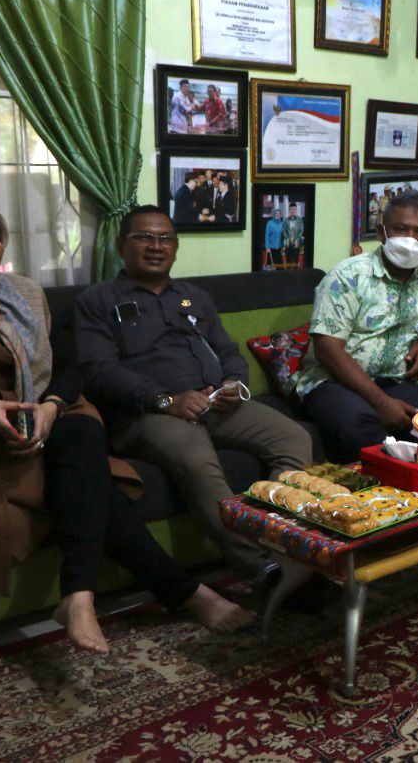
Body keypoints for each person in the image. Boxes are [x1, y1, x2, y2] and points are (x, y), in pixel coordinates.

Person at [0, 196, 252, 653]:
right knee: (95, 485)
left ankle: (83, 597)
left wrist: (52, 404)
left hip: (44, 410)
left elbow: (68, 364)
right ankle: (169, 592)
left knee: (82, 430)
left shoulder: (21, 292)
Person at [74, 206, 313, 588]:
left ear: (175, 247)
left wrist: (233, 383)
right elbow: (99, 370)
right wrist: (166, 400)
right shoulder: (97, 300)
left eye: (165, 238)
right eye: (144, 237)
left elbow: (228, 350)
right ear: (121, 246)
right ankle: (259, 566)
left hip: (216, 402)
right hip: (148, 414)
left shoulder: (194, 297)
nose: (156, 246)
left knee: (294, 438)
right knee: (197, 459)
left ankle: (280, 542)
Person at [293, 191, 418, 463]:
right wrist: (381, 403)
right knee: (362, 426)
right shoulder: (348, 276)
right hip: (332, 382)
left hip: (394, 381)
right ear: (381, 232)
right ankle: (389, 489)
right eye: (400, 229)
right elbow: (327, 350)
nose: (410, 239)